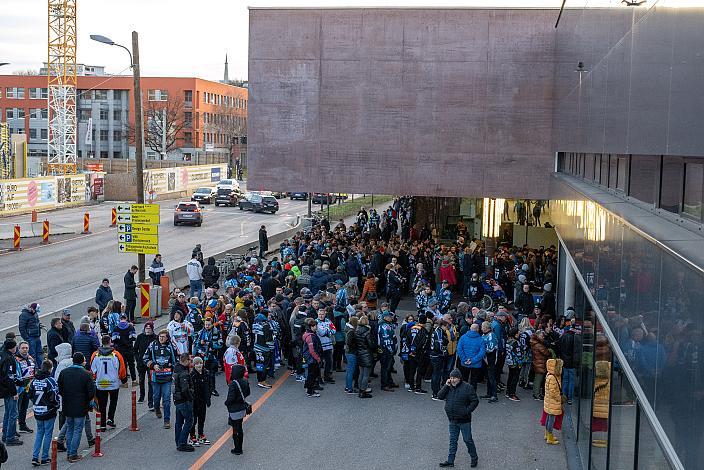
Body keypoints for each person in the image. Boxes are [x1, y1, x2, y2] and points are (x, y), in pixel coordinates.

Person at [57, 352, 96, 463]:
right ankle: (73, 454)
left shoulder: (64, 372)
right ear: (82, 361)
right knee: (78, 430)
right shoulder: (86, 374)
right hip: (81, 406)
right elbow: (91, 392)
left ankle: (69, 452)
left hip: (67, 405)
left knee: (70, 428)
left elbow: (59, 388)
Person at [438, 369, 479, 468]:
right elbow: (439, 396)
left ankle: (474, 458)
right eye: (451, 378)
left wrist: (466, 411)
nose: (452, 380)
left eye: (454, 378)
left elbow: (475, 401)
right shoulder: (448, 387)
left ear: (459, 378)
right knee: (453, 441)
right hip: (452, 419)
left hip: (464, 420)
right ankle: (450, 461)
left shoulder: (468, 387)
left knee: (467, 440)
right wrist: (446, 385)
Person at [90, 335, 127, 430]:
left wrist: (95, 379)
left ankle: (102, 424)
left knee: (102, 404)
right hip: (113, 383)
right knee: (113, 402)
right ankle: (110, 419)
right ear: (110, 342)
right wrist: (123, 379)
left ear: (102, 342)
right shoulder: (116, 354)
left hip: (101, 383)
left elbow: (92, 369)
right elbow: (121, 368)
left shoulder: (96, 355)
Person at [144, 329, 177, 428]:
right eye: (160, 336)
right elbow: (145, 357)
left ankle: (167, 420)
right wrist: (153, 365)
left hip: (167, 377)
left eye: (163, 337)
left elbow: (177, 359)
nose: (161, 338)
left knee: (167, 399)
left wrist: (175, 370)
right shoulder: (152, 345)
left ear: (167, 338)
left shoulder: (171, 346)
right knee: (156, 397)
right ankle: (157, 408)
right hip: (155, 377)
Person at [29, 359, 59, 466]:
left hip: (37, 410)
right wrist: (56, 406)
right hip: (49, 410)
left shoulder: (34, 380)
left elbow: (30, 394)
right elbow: (55, 396)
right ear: (51, 369)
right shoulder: (50, 380)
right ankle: (45, 457)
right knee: (48, 434)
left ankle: (35, 456)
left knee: (39, 433)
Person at [0, 339, 23, 446]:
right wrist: (14, 392)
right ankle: (10, 437)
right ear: (12, 348)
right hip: (9, 389)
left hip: (3, 388)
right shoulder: (9, 359)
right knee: (13, 413)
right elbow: (9, 377)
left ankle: (5, 435)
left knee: (8, 413)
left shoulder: (2, 354)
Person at [224, 364, 250, 455]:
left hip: (234, 409)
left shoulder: (233, 384)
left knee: (235, 429)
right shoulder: (245, 381)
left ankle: (237, 449)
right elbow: (248, 393)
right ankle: (240, 447)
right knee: (239, 428)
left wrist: (226, 403)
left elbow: (230, 398)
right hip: (242, 408)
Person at [173, 353, 195, 452]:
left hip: (177, 399)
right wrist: (190, 397)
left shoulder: (176, 369)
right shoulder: (184, 373)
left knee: (179, 422)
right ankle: (182, 443)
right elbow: (185, 389)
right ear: (185, 361)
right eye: (189, 360)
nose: (190, 362)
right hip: (183, 400)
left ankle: (178, 441)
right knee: (189, 420)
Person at [189, 356, 211, 447]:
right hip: (194, 401)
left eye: (200, 363)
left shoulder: (206, 373)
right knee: (193, 420)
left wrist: (208, 398)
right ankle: (192, 436)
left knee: (202, 418)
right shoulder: (192, 375)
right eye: (197, 363)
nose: (199, 365)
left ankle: (201, 434)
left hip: (203, 400)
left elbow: (209, 386)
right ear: (194, 365)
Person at [14, 341, 36, 435]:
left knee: (24, 407)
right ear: (19, 349)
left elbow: (34, 370)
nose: (25, 349)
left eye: (26, 348)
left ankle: (22, 426)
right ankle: (13, 430)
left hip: (28, 386)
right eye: (23, 348)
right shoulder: (16, 359)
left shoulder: (30, 358)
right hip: (19, 387)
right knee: (16, 409)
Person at [111, 313, 138, 386]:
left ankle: (125, 382)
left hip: (120, 349)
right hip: (129, 348)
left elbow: (113, 339)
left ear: (119, 319)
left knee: (123, 365)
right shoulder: (130, 327)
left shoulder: (116, 328)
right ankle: (134, 380)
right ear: (126, 318)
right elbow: (134, 337)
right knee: (132, 365)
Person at [542, 358, 564, 445]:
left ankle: (547, 434)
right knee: (551, 419)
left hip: (549, 401)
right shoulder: (553, 377)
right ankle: (550, 437)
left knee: (548, 417)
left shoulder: (549, 375)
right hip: (553, 402)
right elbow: (552, 391)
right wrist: (559, 398)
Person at [134, 321, 156, 407]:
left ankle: (150, 400)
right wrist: (138, 358)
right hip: (141, 363)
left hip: (150, 363)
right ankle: (142, 396)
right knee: (141, 380)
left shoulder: (155, 337)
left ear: (152, 329)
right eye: (146, 328)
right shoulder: (140, 337)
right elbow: (135, 349)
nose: (148, 330)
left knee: (151, 381)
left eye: (149, 328)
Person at [354, 315, 375, 398]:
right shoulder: (367, 332)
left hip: (359, 354)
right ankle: (363, 391)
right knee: (366, 375)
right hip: (366, 355)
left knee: (361, 374)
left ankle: (360, 389)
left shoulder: (356, 331)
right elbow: (371, 345)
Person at [302, 318, 323, 398]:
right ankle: (310, 391)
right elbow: (312, 350)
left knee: (311, 374)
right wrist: (318, 358)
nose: (316, 327)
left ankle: (308, 388)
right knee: (312, 375)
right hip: (312, 358)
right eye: (315, 326)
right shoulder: (311, 336)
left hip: (310, 358)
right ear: (312, 326)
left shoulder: (307, 334)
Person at [378, 307, 397, 391]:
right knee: (385, 367)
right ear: (385, 317)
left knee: (388, 366)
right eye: (389, 316)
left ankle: (389, 382)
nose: (391, 318)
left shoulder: (387, 325)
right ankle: (384, 384)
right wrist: (391, 350)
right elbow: (387, 340)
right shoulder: (384, 326)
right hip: (386, 350)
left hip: (387, 349)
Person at [430, 318, 449, 400]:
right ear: (443, 325)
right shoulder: (439, 332)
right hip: (437, 356)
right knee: (436, 375)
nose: (447, 328)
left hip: (434, 355)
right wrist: (444, 353)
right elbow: (439, 346)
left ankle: (436, 392)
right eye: (447, 327)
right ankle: (436, 393)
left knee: (435, 374)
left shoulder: (436, 331)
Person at [315, 308, 335, 384]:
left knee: (329, 362)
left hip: (329, 346)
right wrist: (328, 330)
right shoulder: (315, 322)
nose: (321, 316)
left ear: (325, 314)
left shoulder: (328, 321)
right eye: (319, 314)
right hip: (320, 346)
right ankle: (319, 378)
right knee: (319, 363)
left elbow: (334, 330)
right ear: (317, 314)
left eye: (322, 314)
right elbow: (321, 333)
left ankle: (327, 377)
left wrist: (326, 331)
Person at [504, 327, 522, 401]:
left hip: (509, 361)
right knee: (515, 378)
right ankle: (512, 394)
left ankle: (508, 391)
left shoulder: (508, 341)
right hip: (515, 362)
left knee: (510, 376)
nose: (519, 334)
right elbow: (518, 354)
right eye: (518, 332)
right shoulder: (516, 342)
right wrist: (520, 361)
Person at [344, 316, 358, 393]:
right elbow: (350, 343)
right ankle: (349, 388)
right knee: (351, 371)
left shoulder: (348, 330)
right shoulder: (351, 332)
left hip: (348, 352)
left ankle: (347, 387)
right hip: (351, 353)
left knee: (349, 371)